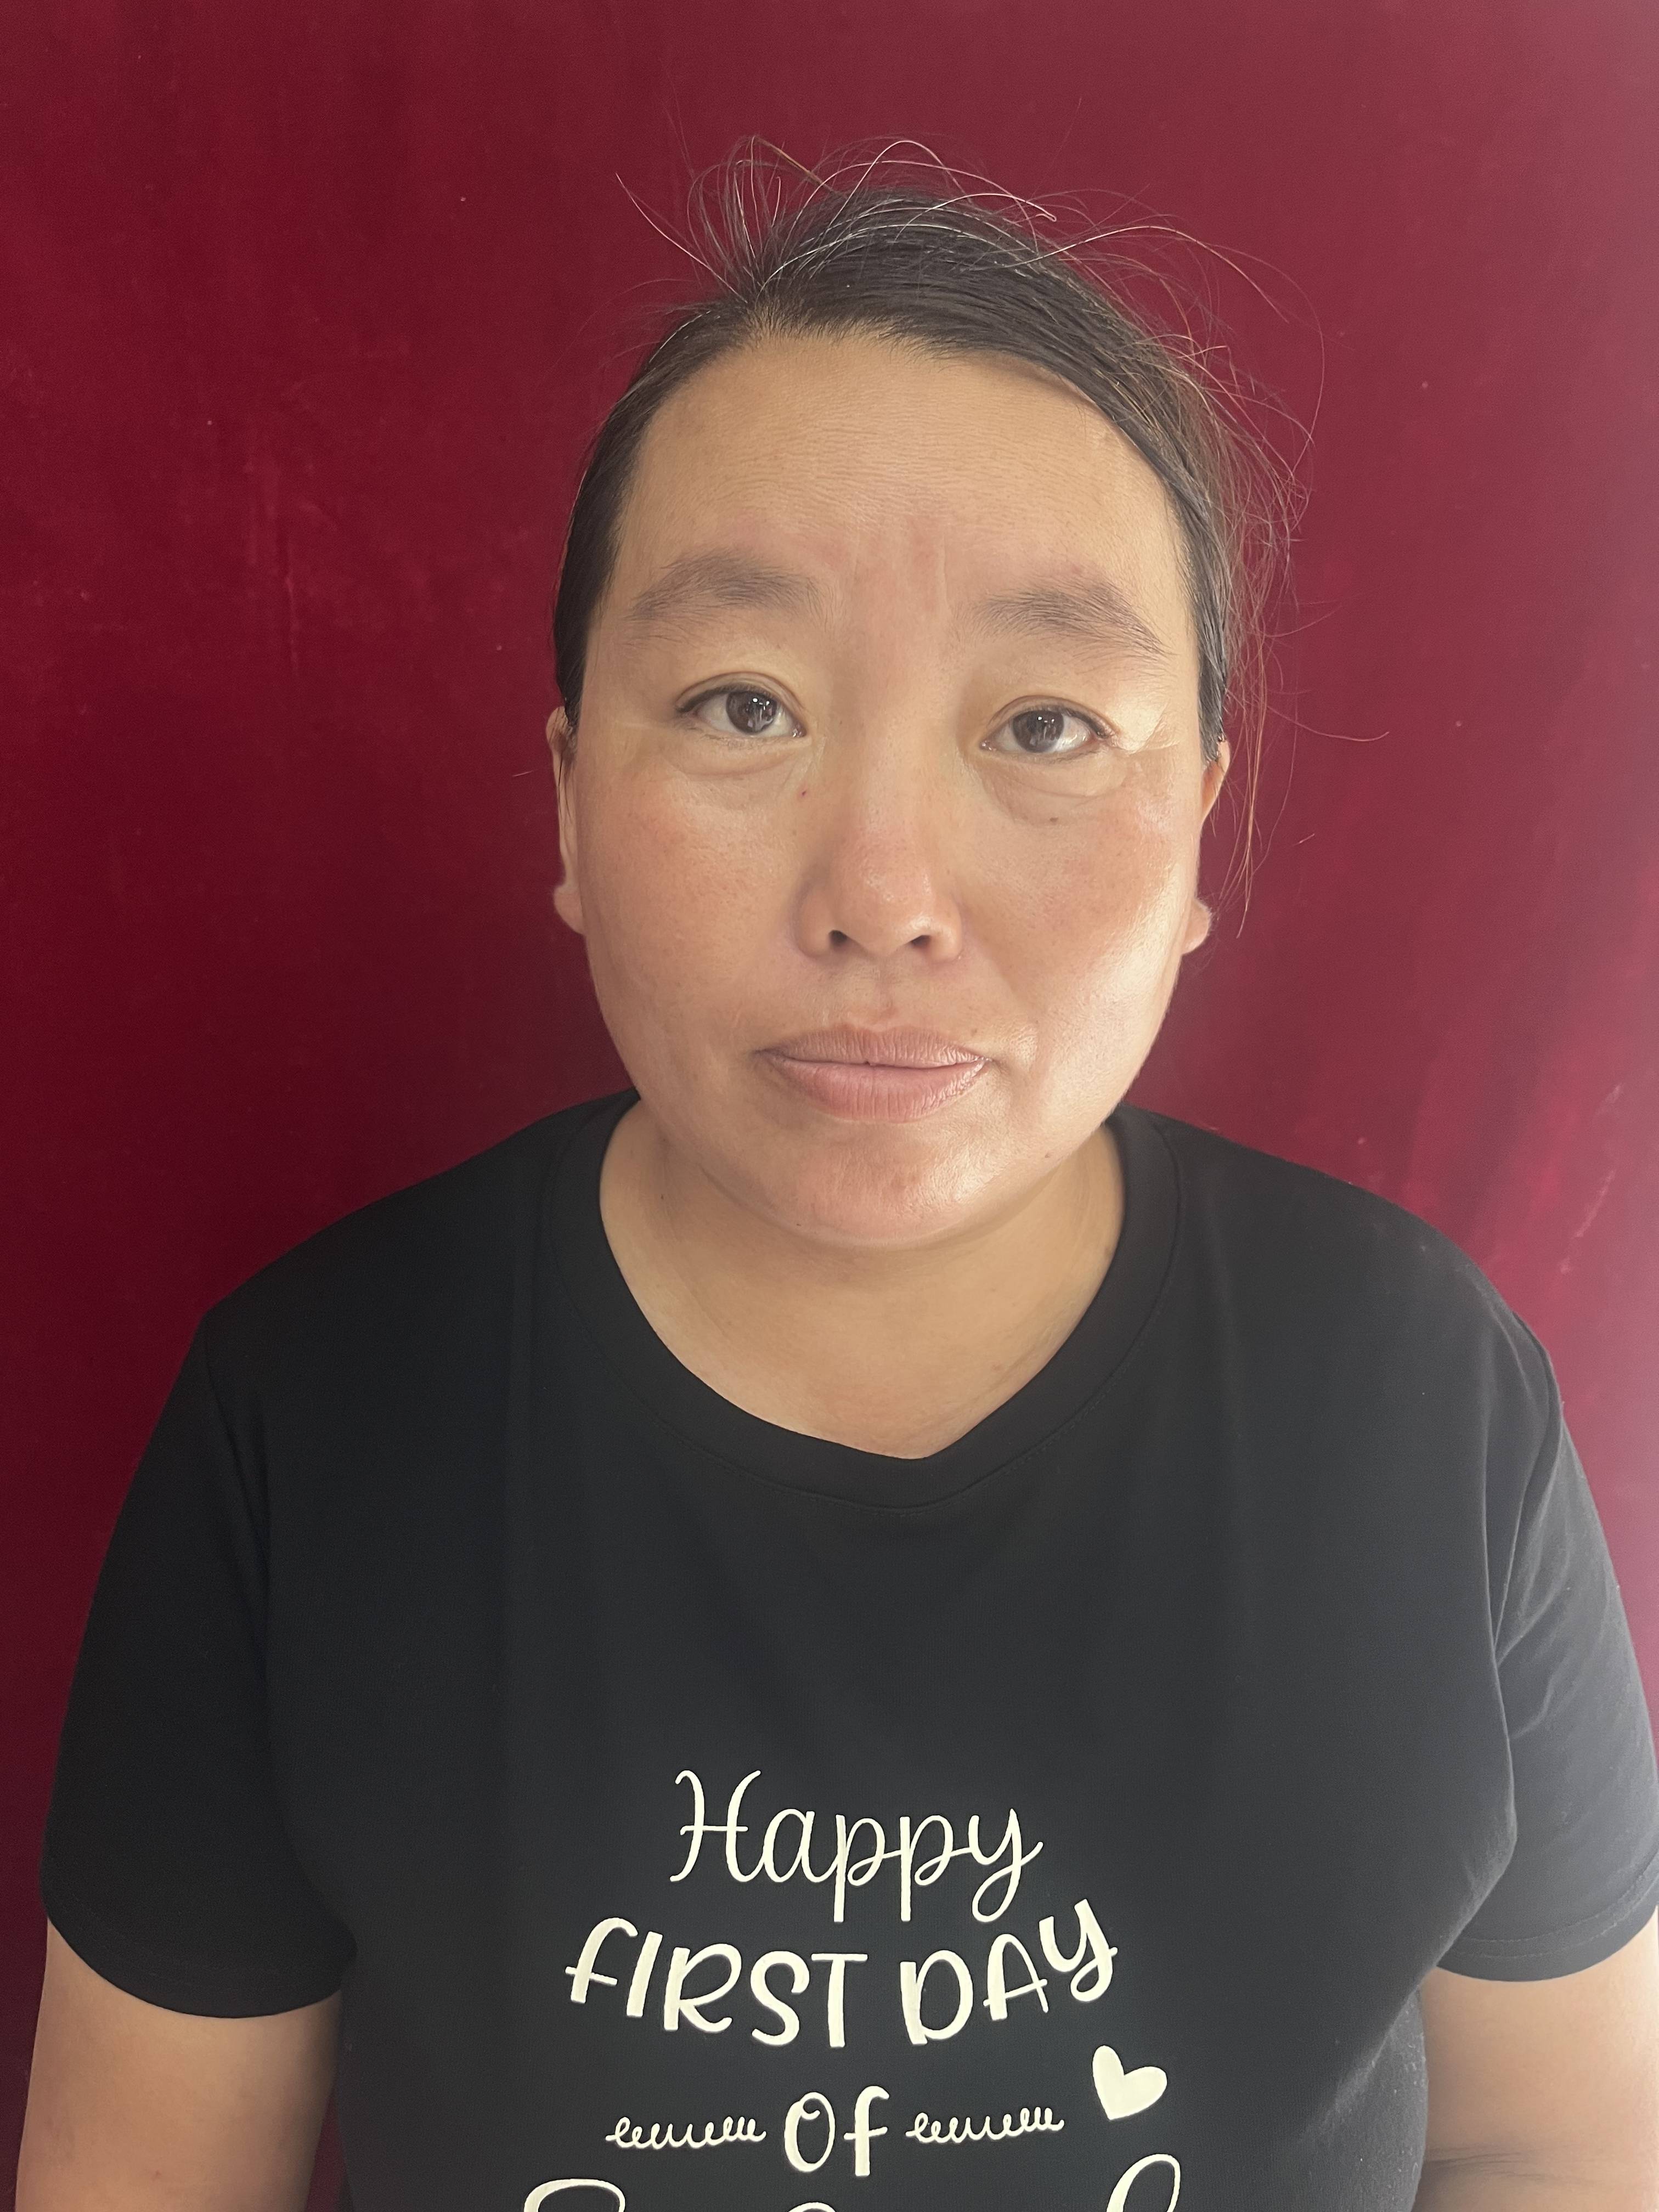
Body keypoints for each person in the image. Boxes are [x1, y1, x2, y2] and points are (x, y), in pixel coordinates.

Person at [16, 149, 1659, 2212]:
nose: (882, 893)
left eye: (1045, 724)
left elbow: (1561, 2144)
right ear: (568, 803)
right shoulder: (308, 1423)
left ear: (1200, 838)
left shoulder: (1429, 1405)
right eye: (745, 704)